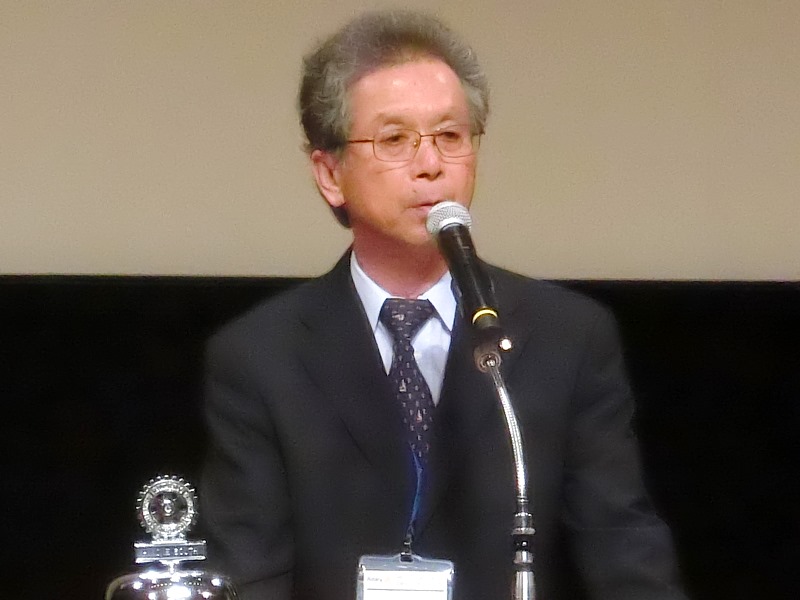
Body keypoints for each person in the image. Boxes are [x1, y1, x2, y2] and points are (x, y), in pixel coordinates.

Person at [200, 10, 688, 600]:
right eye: (395, 139)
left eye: (450, 136)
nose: (431, 165)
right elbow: (250, 576)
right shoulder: (260, 357)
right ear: (330, 173)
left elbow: (623, 552)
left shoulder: (568, 337)